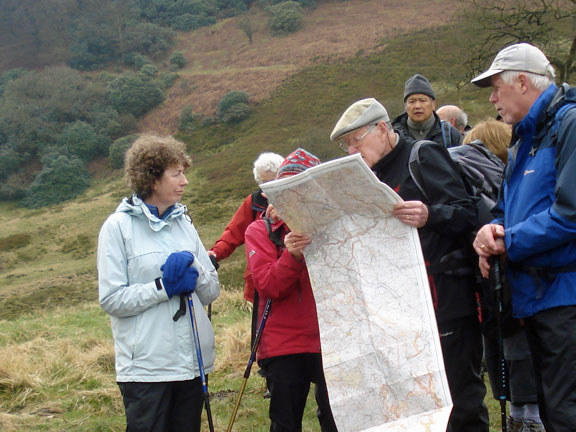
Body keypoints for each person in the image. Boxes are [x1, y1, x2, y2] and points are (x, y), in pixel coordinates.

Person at [330, 98, 488, 432]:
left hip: (448, 299)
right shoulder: (370, 176)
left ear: (383, 129)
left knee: (461, 397)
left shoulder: (423, 155)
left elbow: (466, 212)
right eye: (346, 145)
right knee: (422, 400)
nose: (351, 151)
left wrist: (430, 214)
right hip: (406, 308)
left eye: (355, 140)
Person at [472, 42, 576, 431]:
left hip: (566, 297)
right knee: (554, 409)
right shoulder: (523, 140)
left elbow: (570, 213)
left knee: (566, 410)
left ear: (522, 81)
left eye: (497, 87)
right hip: (535, 297)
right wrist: (490, 232)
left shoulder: (569, 125)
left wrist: (508, 241)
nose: (494, 98)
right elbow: (505, 211)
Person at [97, 134, 220, 432]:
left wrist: (196, 273)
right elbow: (111, 299)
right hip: (145, 371)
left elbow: (211, 290)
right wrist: (164, 287)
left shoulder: (184, 223)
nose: (184, 181)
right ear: (152, 178)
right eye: (176, 173)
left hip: (191, 365)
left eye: (184, 173)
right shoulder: (117, 227)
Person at [245, 148, 338, 432]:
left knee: (338, 421)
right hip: (284, 344)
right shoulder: (260, 231)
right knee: (286, 423)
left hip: (332, 338)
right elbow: (269, 286)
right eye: (287, 191)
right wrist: (292, 256)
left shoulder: (334, 223)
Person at [463, 121, 544, 431]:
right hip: (512, 304)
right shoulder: (503, 191)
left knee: (519, 371)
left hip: (505, 306)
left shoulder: (498, 193)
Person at [207, 152, 284, 303]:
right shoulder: (253, 202)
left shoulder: (295, 200)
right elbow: (233, 232)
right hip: (259, 284)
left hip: (289, 277)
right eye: (264, 182)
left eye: (274, 180)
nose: (269, 187)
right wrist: (215, 253)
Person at [392, 74, 463, 148]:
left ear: (433, 104)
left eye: (422, 100)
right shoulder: (394, 135)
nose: (417, 106)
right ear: (406, 106)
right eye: (412, 101)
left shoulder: (451, 135)